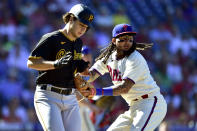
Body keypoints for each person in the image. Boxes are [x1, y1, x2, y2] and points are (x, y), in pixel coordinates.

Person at [86, 24, 167, 131]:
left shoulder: (135, 58)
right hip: (133, 106)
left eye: (130, 39)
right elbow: (91, 74)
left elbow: (124, 88)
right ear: (114, 41)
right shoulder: (109, 57)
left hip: (150, 102)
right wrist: (80, 78)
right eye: (123, 39)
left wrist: (96, 91)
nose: (127, 43)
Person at [27, 4, 94, 131]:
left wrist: (83, 70)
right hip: (48, 96)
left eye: (86, 27)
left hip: (71, 98)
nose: (83, 29)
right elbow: (31, 63)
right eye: (81, 24)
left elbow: (73, 69)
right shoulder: (52, 38)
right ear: (71, 19)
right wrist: (55, 64)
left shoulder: (78, 43)